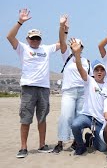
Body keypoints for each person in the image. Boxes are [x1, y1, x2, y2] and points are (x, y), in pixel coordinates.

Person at [7, 8, 60, 158]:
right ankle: (23, 147)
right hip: (28, 88)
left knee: (42, 118)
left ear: (41, 39)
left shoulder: (46, 49)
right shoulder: (22, 48)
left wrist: (63, 28)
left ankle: (42, 145)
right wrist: (20, 22)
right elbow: (9, 36)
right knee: (26, 118)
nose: (35, 40)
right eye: (32, 38)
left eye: (37, 38)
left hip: (43, 89)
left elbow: (61, 44)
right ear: (28, 39)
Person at [52, 15, 91, 154]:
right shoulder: (66, 57)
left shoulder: (87, 61)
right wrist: (62, 26)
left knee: (78, 118)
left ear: (82, 47)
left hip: (82, 92)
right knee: (65, 116)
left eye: (79, 45)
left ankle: (76, 141)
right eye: (74, 45)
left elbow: (89, 79)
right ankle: (60, 142)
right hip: (69, 91)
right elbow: (61, 41)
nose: (76, 47)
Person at [70, 38, 107, 155]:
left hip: (100, 120)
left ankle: (90, 138)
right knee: (75, 125)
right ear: (93, 72)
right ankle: (80, 146)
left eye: (102, 70)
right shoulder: (89, 81)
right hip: (88, 116)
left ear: (105, 72)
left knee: (103, 148)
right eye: (97, 70)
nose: (99, 72)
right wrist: (77, 53)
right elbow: (80, 67)